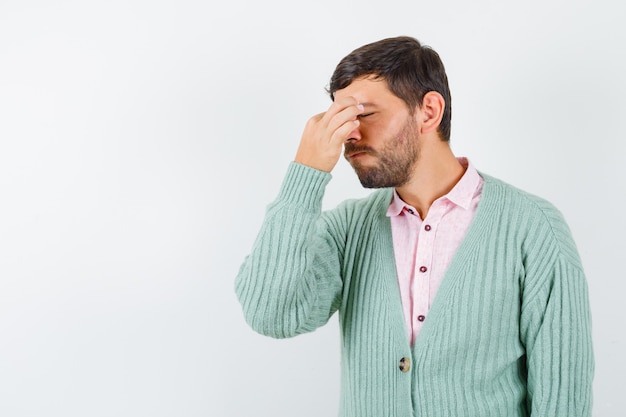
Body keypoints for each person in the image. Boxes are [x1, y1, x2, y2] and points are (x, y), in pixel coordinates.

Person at [235, 36, 593, 417]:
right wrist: (304, 176)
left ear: (429, 111)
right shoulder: (346, 229)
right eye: (338, 120)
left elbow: (563, 400)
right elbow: (270, 314)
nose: (348, 134)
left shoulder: (533, 228)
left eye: (364, 114)